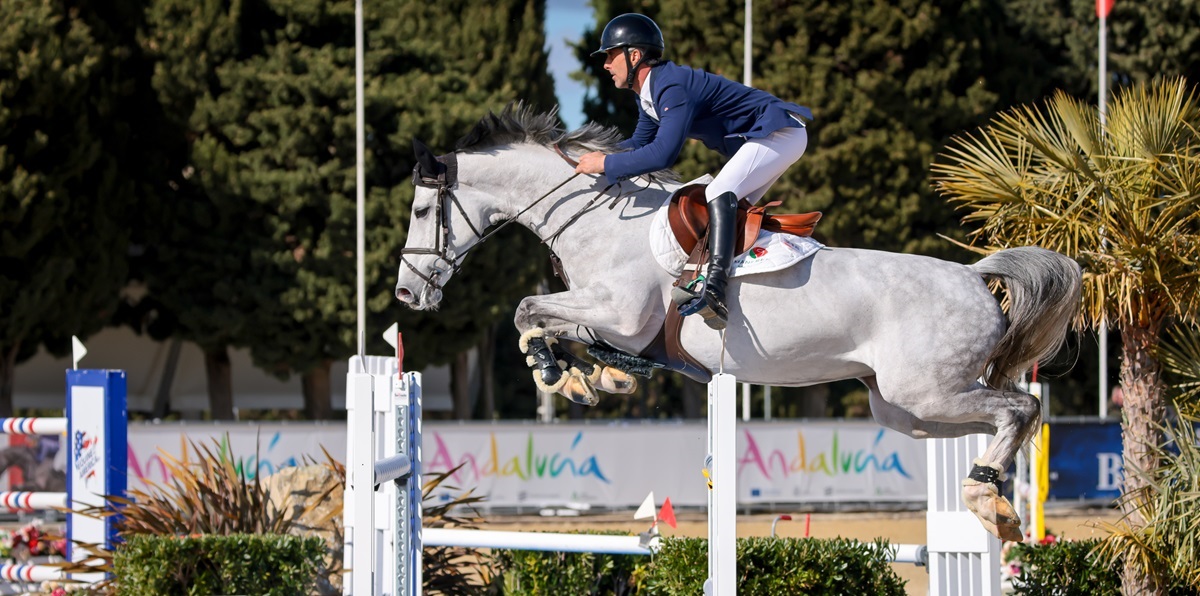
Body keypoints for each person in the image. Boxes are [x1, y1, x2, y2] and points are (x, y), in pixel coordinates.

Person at [575, 13, 812, 331]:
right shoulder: (648, 94)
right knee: (729, 211)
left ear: (634, 56)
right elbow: (638, 144)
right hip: (769, 137)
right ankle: (741, 283)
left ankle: (714, 290)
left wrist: (605, 164)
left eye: (610, 54)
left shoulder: (671, 86)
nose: (605, 64)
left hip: (780, 132)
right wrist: (591, 156)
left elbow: (663, 154)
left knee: (718, 193)